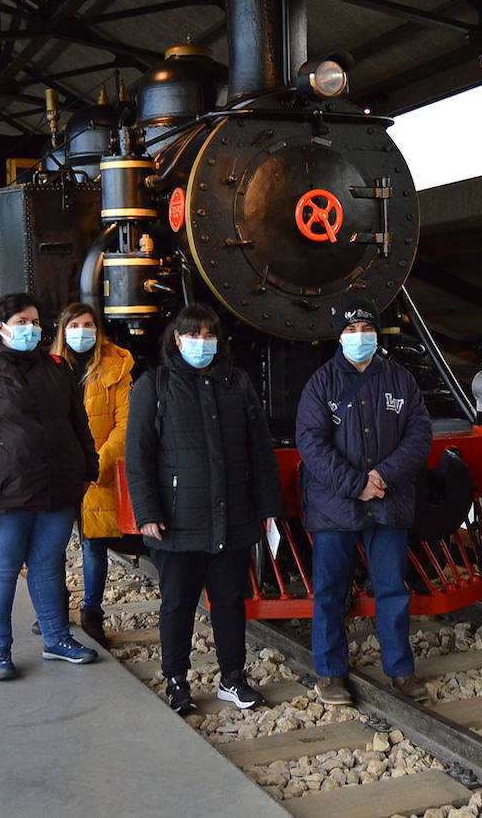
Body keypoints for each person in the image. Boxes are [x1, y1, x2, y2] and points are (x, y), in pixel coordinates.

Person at [125, 304, 282, 715]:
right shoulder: (153, 385)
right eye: (193, 335)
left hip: (232, 517)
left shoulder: (237, 383)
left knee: (230, 601)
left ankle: (233, 678)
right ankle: (177, 680)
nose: (202, 343)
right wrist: (147, 511)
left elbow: (260, 450)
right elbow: (138, 455)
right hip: (178, 520)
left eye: (209, 335)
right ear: (176, 339)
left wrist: (267, 506)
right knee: (176, 603)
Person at [0, 292, 101, 680]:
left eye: (34, 322)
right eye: (22, 322)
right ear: (1, 328)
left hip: (57, 490)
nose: (31, 328)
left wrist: (87, 469)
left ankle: (56, 639)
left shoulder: (55, 367)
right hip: (6, 494)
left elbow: (77, 423)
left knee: (49, 567)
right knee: (2, 568)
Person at [296, 297, 434, 706]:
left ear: (377, 333)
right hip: (336, 505)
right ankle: (330, 673)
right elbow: (311, 443)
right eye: (352, 330)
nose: (360, 337)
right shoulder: (321, 383)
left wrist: (382, 477)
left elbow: (419, 435)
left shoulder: (400, 380)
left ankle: (401, 670)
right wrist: (356, 483)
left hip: (388, 503)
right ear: (339, 336)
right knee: (330, 591)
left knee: (393, 588)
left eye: (367, 329)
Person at [50, 302, 134, 646]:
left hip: (96, 468)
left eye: (88, 325)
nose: (82, 331)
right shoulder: (49, 367)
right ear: (63, 330)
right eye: (75, 325)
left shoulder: (115, 368)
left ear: (97, 331)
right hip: (56, 470)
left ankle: (92, 613)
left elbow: (124, 423)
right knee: (51, 546)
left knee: (94, 545)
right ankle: (53, 611)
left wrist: (97, 463)